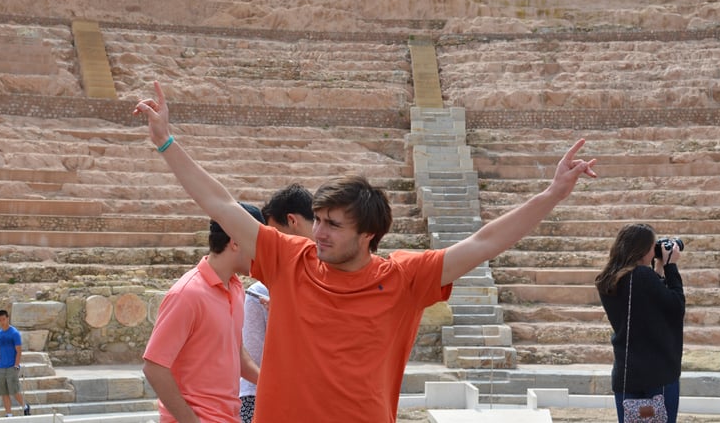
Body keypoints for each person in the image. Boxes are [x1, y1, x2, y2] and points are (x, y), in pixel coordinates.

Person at [134, 81, 597, 422]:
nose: (320, 233)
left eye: (334, 225)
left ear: (369, 236)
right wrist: (166, 143)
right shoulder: (287, 258)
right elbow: (219, 202)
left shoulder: (405, 278)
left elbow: (484, 241)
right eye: (318, 220)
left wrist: (552, 193)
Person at [142, 203, 263, 423]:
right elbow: (154, 367)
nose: (262, 253)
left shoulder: (236, 288)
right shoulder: (187, 294)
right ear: (235, 242)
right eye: (258, 244)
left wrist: (270, 383)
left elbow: (235, 351)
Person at [240, 184, 316, 423]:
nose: (270, 244)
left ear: (292, 222)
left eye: (274, 233)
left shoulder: (332, 278)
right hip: (268, 398)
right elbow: (250, 362)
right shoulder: (260, 292)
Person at [595, 223, 685, 423]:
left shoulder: (607, 280)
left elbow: (648, 303)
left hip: (627, 374)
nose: (655, 251)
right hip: (658, 374)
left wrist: (658, 268)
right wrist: (671, 267)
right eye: (654, 247)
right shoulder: (642, 276)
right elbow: (675, 307)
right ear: (644, 249)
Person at [0, 309, 31, 417]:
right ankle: (9, 413)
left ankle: (25, 406)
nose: (2, 322)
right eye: (0, 320)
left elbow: (19, 351)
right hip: (1, 367)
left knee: (14, 391)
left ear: (7, 318)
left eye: (4, 319)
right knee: (3, 392)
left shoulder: (14, 333)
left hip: (11, 366)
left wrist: (16, 365)